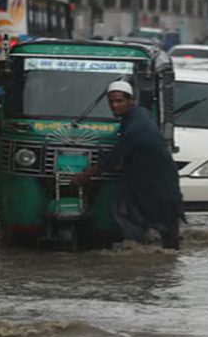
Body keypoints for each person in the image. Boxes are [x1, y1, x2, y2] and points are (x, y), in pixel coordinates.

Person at [71, 80, 183, 249]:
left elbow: (111, 160)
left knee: (127, 213)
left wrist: (84, 176)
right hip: (146, 177)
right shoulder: (140, 115)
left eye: (119, 101)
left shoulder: (135, 128)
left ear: (131, 101)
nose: (114, 106)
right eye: (111, 102)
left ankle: (133, 255)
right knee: (159, 221)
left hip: (156, 181)